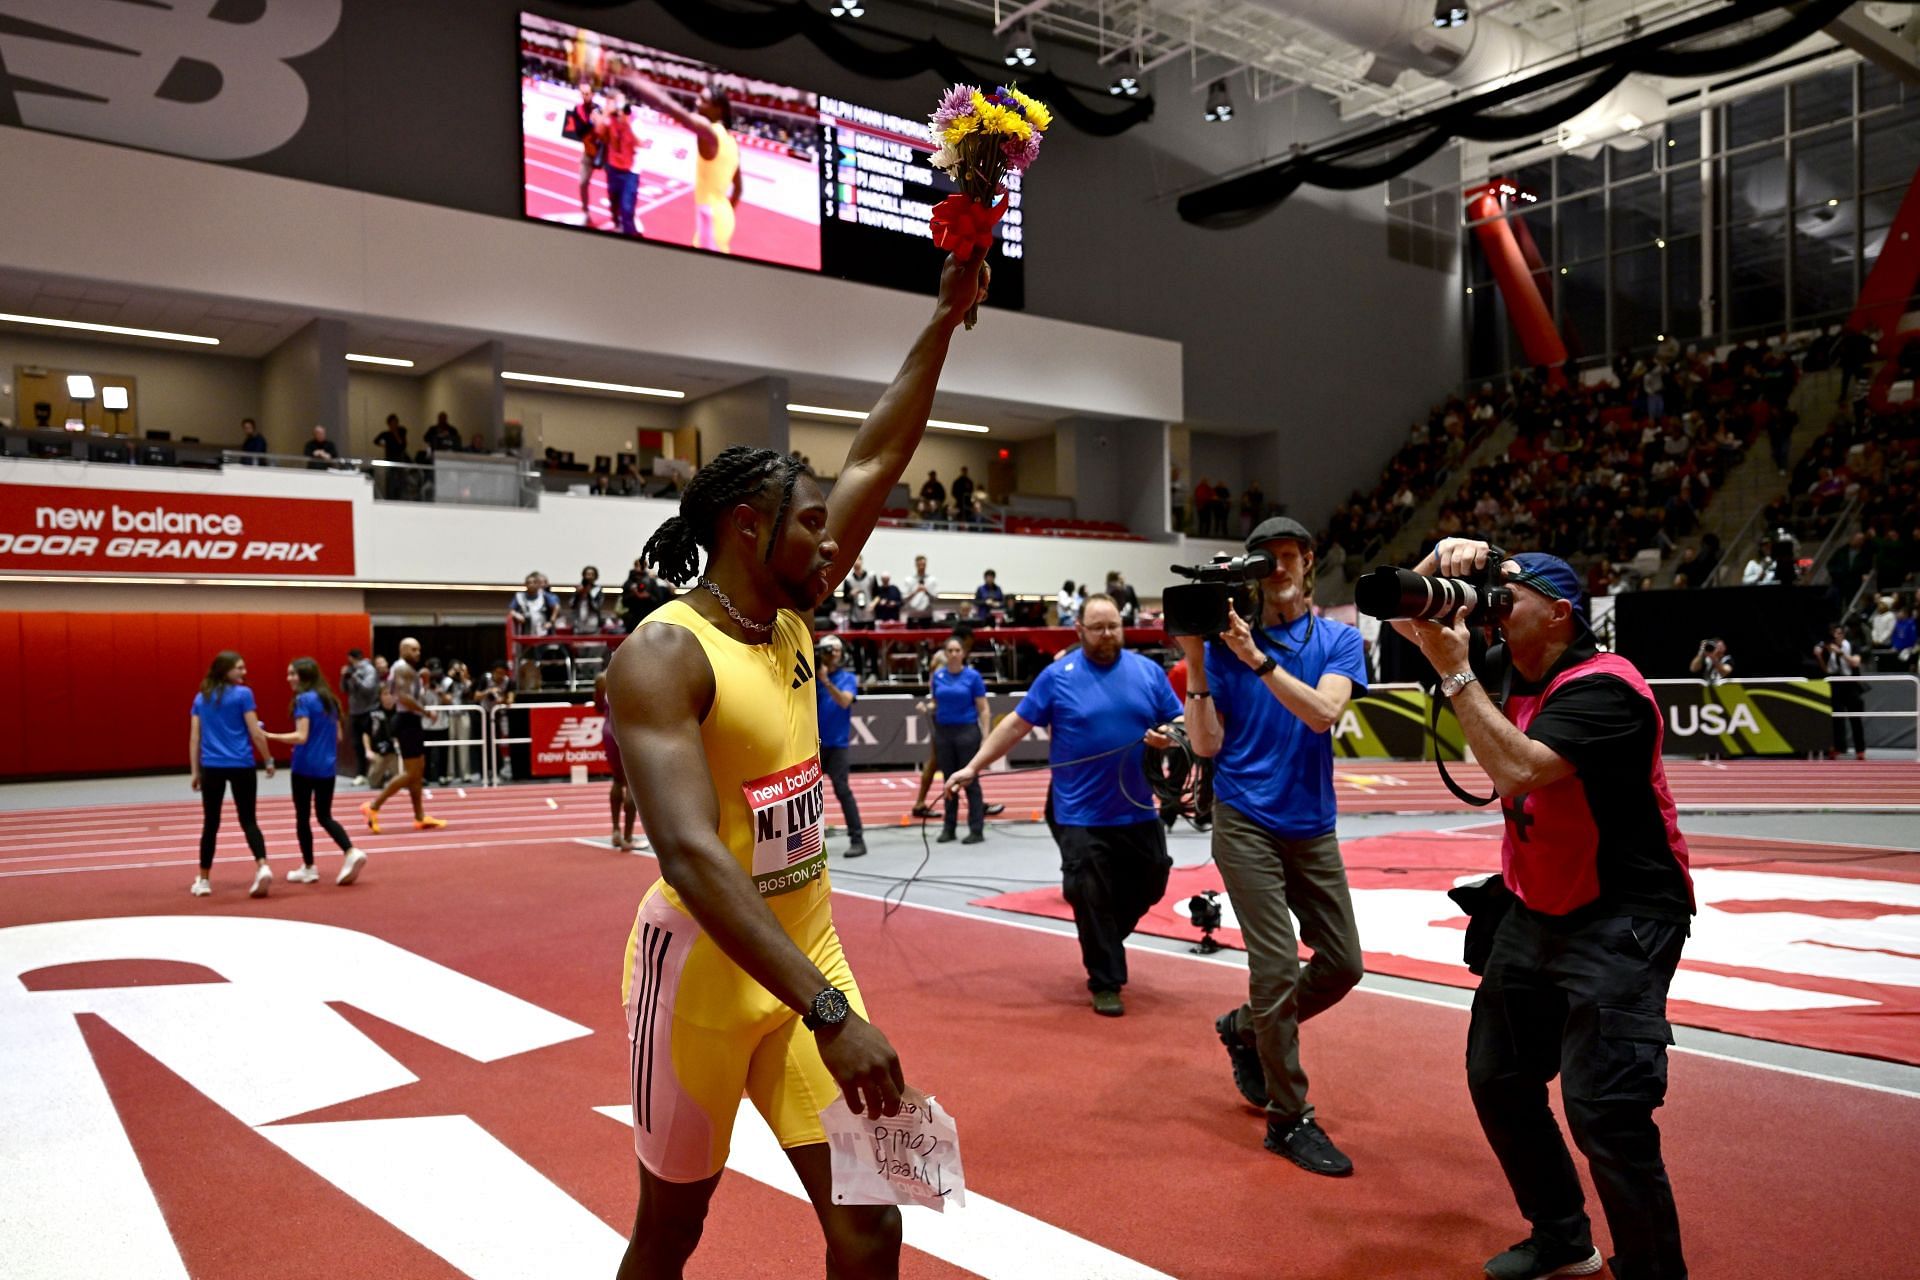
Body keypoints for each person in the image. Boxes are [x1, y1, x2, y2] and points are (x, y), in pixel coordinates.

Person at [601, 246, 987, 1279]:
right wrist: (832, 1011)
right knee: (672, 1229)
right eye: (810, 525)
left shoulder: (785, 614)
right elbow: (689, 852)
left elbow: (876, 458)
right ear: (746, 527)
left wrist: (945, 317)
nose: (832, 542)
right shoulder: (666, 653)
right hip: (700, 980)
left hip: (810, 954)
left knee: (874, 1219)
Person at [1394, 539, 1695, 1280]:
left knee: (1607, 1116)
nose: (1492, 610)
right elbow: (1407, 616)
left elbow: (1516, 769)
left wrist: (1457, 668)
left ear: (1560, 613)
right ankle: (1562, 1236)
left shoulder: (1607, 687)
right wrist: (1436, 568)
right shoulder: (1507, 666)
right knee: (1497, 1077)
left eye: (1507, 596)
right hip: (1536, 907)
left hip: (1623, 915)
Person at [1177, 515, 1368, 1178]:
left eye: (1288, 556)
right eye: (1267, 560)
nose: (1278, 569)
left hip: (1312, 822)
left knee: (1344, 963)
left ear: (1309, 561)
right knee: (1278, 967)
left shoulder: (1341, 639)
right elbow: (1205, 745)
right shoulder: (1226, 650)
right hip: (1245, 820)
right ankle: (1289, 1120)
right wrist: (1200, 658)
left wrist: (1259, 659)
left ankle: (1243, 1027)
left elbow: (1323, 713)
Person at [947, 595, 1180, 1015]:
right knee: (1087, 890)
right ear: (1080, 631)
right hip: (1079, 811)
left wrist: (1169, 735)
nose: (1108, 634)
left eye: (1114, 626)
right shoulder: (1058, 677)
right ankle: (1105, 980)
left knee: (1153, 879)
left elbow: (1178, 722)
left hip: (1136, 807)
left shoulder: (1148, 673)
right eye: (1098, 627)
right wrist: (974, 767)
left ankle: (1104, 938)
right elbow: (1017, 724)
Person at [265, 658, 368, 886]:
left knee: (303, 817)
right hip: (327, 768)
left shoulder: (303, 699)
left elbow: (301, 736)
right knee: (324, 816)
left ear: (305, 676)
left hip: (304, 767)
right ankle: (350, 851)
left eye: (293, 674)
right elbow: (338, 736)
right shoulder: (329, 700)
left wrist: (270, 736)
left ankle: (309, 867)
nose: (289, 678)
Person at [188, 651, 277, 898]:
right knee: (248, 819)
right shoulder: (244, 695)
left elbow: (195, 737)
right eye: (239, 668)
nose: (244, 672)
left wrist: (195, 770)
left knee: (211, 823)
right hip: (242, 764)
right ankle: (262, 866)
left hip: (212, 767)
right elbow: (255, 731)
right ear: (224, 670)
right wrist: (268, 758)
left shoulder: (200, 698)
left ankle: (204, 879)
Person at [617, 73, 741, 252]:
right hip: (723, 216)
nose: (697, 103)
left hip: (710, 218)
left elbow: (674, 110)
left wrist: (638, 83)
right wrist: (723, 213)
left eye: (703, 100)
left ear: (718, 110)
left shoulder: (710, 132)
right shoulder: (731, 141)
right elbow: (738, 189)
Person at [361, 637, 447, 834]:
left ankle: (419, 816)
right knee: (410, 773)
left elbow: (414, 695)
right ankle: (373, 806)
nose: (418, 653)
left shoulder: (409, 670)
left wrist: (422, 682)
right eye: (414, 649)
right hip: (406, 720)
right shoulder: (401, 668)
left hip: (411, 721)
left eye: (419, 649)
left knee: (417, 772)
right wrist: (427, 712)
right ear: (403, 649)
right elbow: (403, 697)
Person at [923, 635, 988, 844]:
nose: (953, 654)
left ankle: (976, 828)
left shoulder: (973, 677)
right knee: (948, 780)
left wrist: (986, 737)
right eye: (949, 651)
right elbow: (935, 702)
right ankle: (949, 827)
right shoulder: (938, 676)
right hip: (943, 733)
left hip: (967, 732)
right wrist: (928, 708)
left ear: (963, 654)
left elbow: (983, 708)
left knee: (970, 781)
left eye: (956, 650)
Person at [815, 636, 866, 858]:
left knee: (842, 790)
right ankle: (812, 842)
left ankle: (858, 839)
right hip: (813, 744)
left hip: (837, 744)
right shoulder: (809, 676)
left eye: (835, 650)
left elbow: (845, 701)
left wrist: (826, 681)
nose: (832, 654)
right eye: (828, 650)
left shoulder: (846, 678)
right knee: (809, 795)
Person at [594, 673, 642, 851]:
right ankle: (628, 837)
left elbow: (598, 706)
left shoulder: (602, 678)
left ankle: (615, 831)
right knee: (632, 783)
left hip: (608, 728)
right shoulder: (633, 673)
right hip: (628, 730)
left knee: (617, 779)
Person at [594, 98, 643, 238]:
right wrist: (606, 112)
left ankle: (630, 233)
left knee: (627, 207)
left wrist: (628, 124)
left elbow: (640, 143)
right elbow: (598, 131)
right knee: (614, 202)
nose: (622, 112)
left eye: (624, 109)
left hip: (629, 171)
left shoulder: (635, 122)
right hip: (613, 169)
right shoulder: (611, 120)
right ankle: (617, 223)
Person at [1817, 622, 1865, 760]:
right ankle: (1837, 748)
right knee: (1836, 718)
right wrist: (1820, 656)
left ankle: (1860, 750)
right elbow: (1826, 669)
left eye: (1837, 633)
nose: (1835, 636)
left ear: (1843, 634)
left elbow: (1855, 662)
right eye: (1833, 634)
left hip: (1850, 683)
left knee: (1855, 718)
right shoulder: (1828, 648)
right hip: (1835, 684)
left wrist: (1841, 653)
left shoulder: (1852, 645)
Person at [340, 648, 381, 783]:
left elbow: (368, 689)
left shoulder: (369, 670)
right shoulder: (352, 670)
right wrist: (344, 677)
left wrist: (354, 677)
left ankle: (375, 772)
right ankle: (361, 773)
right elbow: (344, 689)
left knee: (371, 744)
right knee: (357, 744)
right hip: (355, 711)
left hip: (368, 710)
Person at [562, 85, 603, 222]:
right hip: (588, 153)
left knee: (614, 184)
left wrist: (597, 120)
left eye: (588, 93)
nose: (585, 96)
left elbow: (603, 128)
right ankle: (585, 211)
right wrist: (591, 122)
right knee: (583, 183)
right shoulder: (577, 109)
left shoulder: (598, 109)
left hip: (602, 153)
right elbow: (579, 132)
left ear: (592, 94)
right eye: (583, 94)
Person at [373, 414, 409, 499]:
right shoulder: (386, 434)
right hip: (390, 458)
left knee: (401, 478)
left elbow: (403, 445)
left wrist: (396, 434)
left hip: (399, 458)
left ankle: (401, 497)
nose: (394, 424)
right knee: (390, 479)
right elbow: (376, 441)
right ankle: (390, 497)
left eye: (396, 422)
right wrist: (383, 445)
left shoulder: (402, 431)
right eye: (392, 423)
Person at [903, 555, 938, 627]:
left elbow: (935, 598)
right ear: (916, 565)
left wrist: (926, 591)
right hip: (912, 616)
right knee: (912, 637)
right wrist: (916, 591)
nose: (921, 567)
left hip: (927, 616)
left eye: (923, 565)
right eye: (919, 565)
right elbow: (904, 598)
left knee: (927, 638)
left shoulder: (932, 580)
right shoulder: (909, 580)